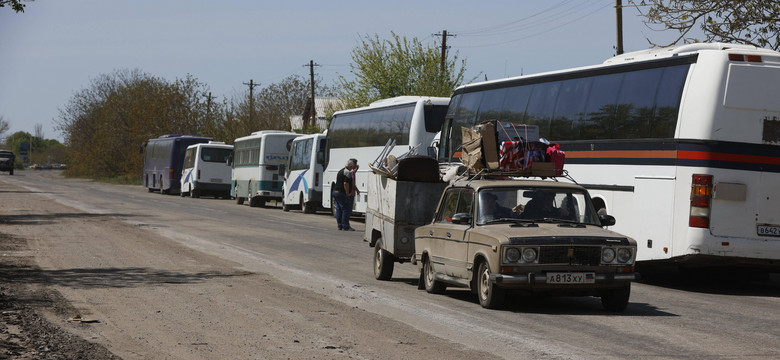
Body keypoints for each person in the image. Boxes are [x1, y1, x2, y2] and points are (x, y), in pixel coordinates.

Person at [333, 159, 356, 231]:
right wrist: (347, 193)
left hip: (335, 192)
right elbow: (346, 183)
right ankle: (346, 226)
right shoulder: (347, 173)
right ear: (351, 166)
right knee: (345, 209)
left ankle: (340, 225)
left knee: (339, 209)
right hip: (341, 193)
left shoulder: (340, 171)